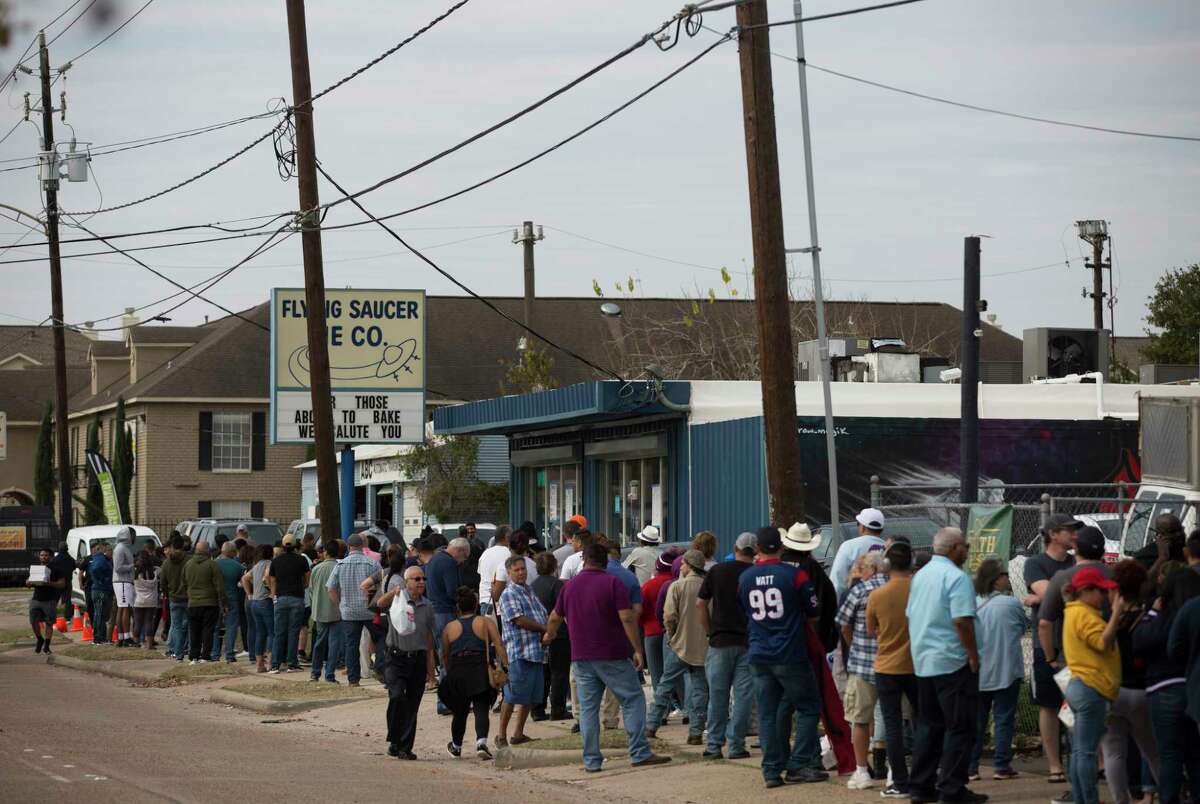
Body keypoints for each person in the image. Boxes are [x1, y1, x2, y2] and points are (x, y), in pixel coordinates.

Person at [543, 542, 671, 773]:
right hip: (612, 653)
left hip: (581, 656)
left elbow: (554, 617)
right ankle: (640, 752)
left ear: (584, 561)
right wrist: (637, 649)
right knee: (632, 699)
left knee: (589, 709)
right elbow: (627, 618)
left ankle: (592, 760)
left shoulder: (570, 587)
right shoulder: (613, 583)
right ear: (606, 561)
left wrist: (549, 634)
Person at [738, 526, 827, 789]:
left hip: (759, 651)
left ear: (757, 549)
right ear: (780, 546)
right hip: (789, 652)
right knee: (809, 707)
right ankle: (799, 763)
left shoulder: (745, 578)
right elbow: (814, 614)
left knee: (767, 713)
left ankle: (771, 770)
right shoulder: (795, 575)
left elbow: (745, 610)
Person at [905, 527, 984, 804]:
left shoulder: (921, 575)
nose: (968, 550)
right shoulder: (957, 577)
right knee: (960, 727)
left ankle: (920, 786)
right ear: (955, 549)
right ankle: (951, 789)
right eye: (966, 546)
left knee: (929, 725)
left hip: (924, 661)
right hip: (952, 661)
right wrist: (973, 655)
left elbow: (911, 614)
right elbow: (962, 620)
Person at [1021, 513, 1079, 785]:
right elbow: (1052, 591)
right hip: (1047, 646)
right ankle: (1055, 765)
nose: (1074, 535)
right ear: (1053, 534)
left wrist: (1039, 599)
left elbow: (1049, 594)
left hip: (1075, 646)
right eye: (1069, 530)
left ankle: (1085, 759)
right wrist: (1045, 596)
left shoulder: (1076, 560)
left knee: (1076, 704)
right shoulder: (1035, 563)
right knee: (1049, 704)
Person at [1135, 567, 1200, 804]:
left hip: (1163, 688)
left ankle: (1169, 798)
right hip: (1193, 689)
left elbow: (1140, 641)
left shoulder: (1163, 617)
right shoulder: (1194, 611)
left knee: (1169, 753)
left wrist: (1152, 612)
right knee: (1195, 754)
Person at [1099, 560, 1161, 804]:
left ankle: (1120, 800)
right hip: (1142, 691)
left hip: (1112, 690)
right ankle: (1171, 794)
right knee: (1152, 751)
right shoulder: (1148, 616)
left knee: (1113, 751)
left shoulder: (1109, 619)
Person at [1062, 566, 1124, 804]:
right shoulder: (1084, 614)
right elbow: (1102, 642)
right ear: (1086, 591)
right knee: (1086, 752)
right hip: (1091, 688)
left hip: (1078, 687)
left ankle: (1081, 798)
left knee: (1079, 750)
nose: (1104, 597)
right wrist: (1117, 614)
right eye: (1100, 591)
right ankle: (1088, 799)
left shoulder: (1073, 611)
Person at [867, 540, 918, 798]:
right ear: (911, 562)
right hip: (916, 665)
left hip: (886, 666)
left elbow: (870, 629)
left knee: (892, 724)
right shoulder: (919, 589)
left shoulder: (876, 595)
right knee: (923, 721)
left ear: (886, 564)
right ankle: (925, 775)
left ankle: (899, 781)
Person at [968, 558, 1027, 783]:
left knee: (977, 721)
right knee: (1003, 719)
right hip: (1007, 669)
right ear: (996, 578)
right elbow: (1022, 628)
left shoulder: (971, 603)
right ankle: (1002, 766)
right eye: (1004, 574)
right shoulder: (1011, 604)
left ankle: (971, 767)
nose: (1007, 578)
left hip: (979, 670)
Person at [697, 531, 754, 760]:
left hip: (720, 641)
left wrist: (710, 630)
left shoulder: (717, 571)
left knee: (718, 697)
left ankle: (713, 745)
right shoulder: (755, 574)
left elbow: (701, 604)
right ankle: (737, 745)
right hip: (748, 642)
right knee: (743, 698)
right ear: (755, 551)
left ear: (735, 547)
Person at [836, 549, 888, 790]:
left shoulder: (859, 590)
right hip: (893, 663)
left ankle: (861, 771)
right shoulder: (898, 588)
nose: (861, 573)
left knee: (860, 719)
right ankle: (894, 771)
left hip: (863, 664)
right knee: (893, 717)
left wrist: (853, 644)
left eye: (863, 568)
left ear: (873, 569)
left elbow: (843, 623)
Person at [646, 549, 710, 744]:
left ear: (689, 565)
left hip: (679, 645)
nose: (680, 567)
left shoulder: (677, 586)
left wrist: (672, 635)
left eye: (682, 564)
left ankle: (651, 725)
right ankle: (696, 732)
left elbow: (668, 616)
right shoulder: (708, 587)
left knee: (665, 685)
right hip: (702, 646)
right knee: (700, 689)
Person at [439, 587, 504, 760]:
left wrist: (449, 672)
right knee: (481, 707)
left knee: (460, 711)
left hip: (458, 670)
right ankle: (481, 743)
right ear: (476, 605)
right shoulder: (485, 622)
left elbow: (445, 654)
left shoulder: (449, 628)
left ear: (458, 608)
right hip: (480, 667)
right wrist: (504, 666)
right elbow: (498, 644)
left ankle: (456, 746)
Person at [380, 565, 437, 760]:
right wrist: (392, 594)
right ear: (407, 582)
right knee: (397, 696)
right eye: (416, 579)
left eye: (423, 579)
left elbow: (429, 639)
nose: (421, 582)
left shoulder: (427, 606)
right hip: (395, 658)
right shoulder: (398, 599)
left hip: (417, 659)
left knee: (412, 705)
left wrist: (431, 673)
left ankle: (404, 747)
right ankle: (395, 738)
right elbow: (378, 605)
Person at [497, 554, 548, 747]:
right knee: (512, 696)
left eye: (523, 569)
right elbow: (518, 619)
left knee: (530, 697)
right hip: (519, 652)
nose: (521, 573)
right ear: (509, 573)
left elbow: (540, 614)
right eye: (516, 570)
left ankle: (518, 733)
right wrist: (544, 629)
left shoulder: (529, 590)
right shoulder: (509, 593)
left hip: (536, 652)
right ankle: (501, 735)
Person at [325, 533, 378, 684]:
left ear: (348, 547)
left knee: (351, 645)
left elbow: (330, 588)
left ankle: (353, 679)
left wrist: (339, 603)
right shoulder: (372, 564)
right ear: (363, 546)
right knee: (378, 640)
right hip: (369, 610)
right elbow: (381, 583)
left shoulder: (340, 565)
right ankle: (380, 669)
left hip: (348, 611)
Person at [530, 551, 570, 722]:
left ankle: (538, 709)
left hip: (539, 632)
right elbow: (564, 609)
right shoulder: (558, 585)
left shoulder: (532, 585)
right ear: (554, 566)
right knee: (559, 672)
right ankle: (557, 708)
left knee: (543, 672)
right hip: (558, 633)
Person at [640, 548, 680, 710]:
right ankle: (682, 705)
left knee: (657, 673)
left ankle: (662, 707)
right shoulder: (677, 583)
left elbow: (640, 610)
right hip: (675, 632)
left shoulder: (649, 586)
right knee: (677, 673)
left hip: (652, 631)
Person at [269, 533, 309, 674]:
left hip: (280, 598)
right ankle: (292, 663)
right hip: (297, 598)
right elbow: (307, 579)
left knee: (279, 632)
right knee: (293, 632)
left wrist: (274, 594)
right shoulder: (301, 560)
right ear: (295, 545)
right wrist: (302, 586)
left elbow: (272, 580)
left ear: (282, 546)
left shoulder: (276, 561)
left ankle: (275, 664)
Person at [183, 541, 225, 664]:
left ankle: (193, 656)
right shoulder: (212, 565)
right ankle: (205, 655)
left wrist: (190, 595)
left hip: (193, 603)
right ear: (207, 550)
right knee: (208, 630)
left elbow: (184, 582)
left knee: (194, 630)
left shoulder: (188, 564)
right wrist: (223, 601)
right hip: (210, 603)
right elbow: (219, 585)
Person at [830, 508, 886, 599]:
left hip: (855, 602)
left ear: (862, 527)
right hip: (884, 603)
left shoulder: (849, 546)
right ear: (881, 529)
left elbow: (838, 580)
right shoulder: (888, 547)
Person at [308, 540, 342, 683]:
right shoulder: (340, 567)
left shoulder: (316, 568)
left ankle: (315, 672)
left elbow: (311, 589)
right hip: (337, 610)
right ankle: (330, 674)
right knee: (334, 644)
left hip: (320, 609)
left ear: (325, 552)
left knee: (319, 642)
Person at [27, 548, 66, 655]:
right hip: (36, 599)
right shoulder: (36, 569)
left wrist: (49, 583)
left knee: (49, 623)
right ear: (39, 556)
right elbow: (28, 581)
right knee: (34, 622)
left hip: (50, 600)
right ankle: (40, 639)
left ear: (51, 557)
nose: (44, 557)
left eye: (46, 555)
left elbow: (62, 584)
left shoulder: (56, 569)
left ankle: (47, 646)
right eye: (42, 555)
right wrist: (28, 583)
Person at [243, 543, 275, 672]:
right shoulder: (269, 564)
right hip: (265, 601)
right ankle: (271, 662)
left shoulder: (255, 566)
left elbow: (244, 578)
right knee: (272, 633)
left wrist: (249, 594)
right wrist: (272, 592)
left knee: (260, 633)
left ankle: (259, 665)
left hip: (254, 602)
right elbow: (267, 576)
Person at [213, 542, 244, 663]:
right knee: (231, 626)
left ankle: (215, 653)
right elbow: (242, 583)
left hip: (216, 599)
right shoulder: (238, 566)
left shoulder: (214, 564)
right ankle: (229, 653)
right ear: (232, 552)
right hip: (232, 598)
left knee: (215, 627)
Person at [161, 535, 188, 658]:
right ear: (183, 545)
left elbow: (163, 582)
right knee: (187, 624)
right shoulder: (188, 561)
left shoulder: (166, 563)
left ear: (172, 546)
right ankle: (183, 648)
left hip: (173, 597)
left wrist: (167, 593)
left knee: (175, 625)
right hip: (187, 597)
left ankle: (175, 650)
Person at [476, 525, 513, 615]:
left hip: (485, 601)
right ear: (507, 537)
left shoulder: (485, 553)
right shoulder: (509, 554)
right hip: (503, 603)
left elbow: (481, 574)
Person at [112, 526, 137, 647]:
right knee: (125, 608)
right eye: (133, 535)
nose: (134, 538)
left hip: (123, 581)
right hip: (122, 581)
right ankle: (126, 636)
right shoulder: (120, 548)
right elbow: (118, 567)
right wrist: (133, 565)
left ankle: (121, 637)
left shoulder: (124, 548)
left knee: (121, 608)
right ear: (128, 536)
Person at [88, 542, 114, 646]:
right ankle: (98, 638)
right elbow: (95, 570)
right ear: (106, 551)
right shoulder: (101, 559)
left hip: (100, 589)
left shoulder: (100, 559)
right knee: (99, 614)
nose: (112, 554)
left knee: (101, 615)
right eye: (111, 551)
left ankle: (100, 637)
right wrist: (102, 580)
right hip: (100, 590)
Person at [132, 557, 161, 651]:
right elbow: (160, 569)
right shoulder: (154, 573)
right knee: (149, 622)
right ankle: (149, 645)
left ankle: (136, 643)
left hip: (139, 601)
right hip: (151, 601)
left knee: (137, 623)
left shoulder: (136, 574)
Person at [49, 542, 75, 628]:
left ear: (59, 549)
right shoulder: (70, 559)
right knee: (67, 600)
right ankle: (67, 618)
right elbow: (74, 566)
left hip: (58, 582)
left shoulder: (55, 559)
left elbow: (51, 568)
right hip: (67, 581)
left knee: (55, 599)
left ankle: (52, 616)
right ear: (67, 548)